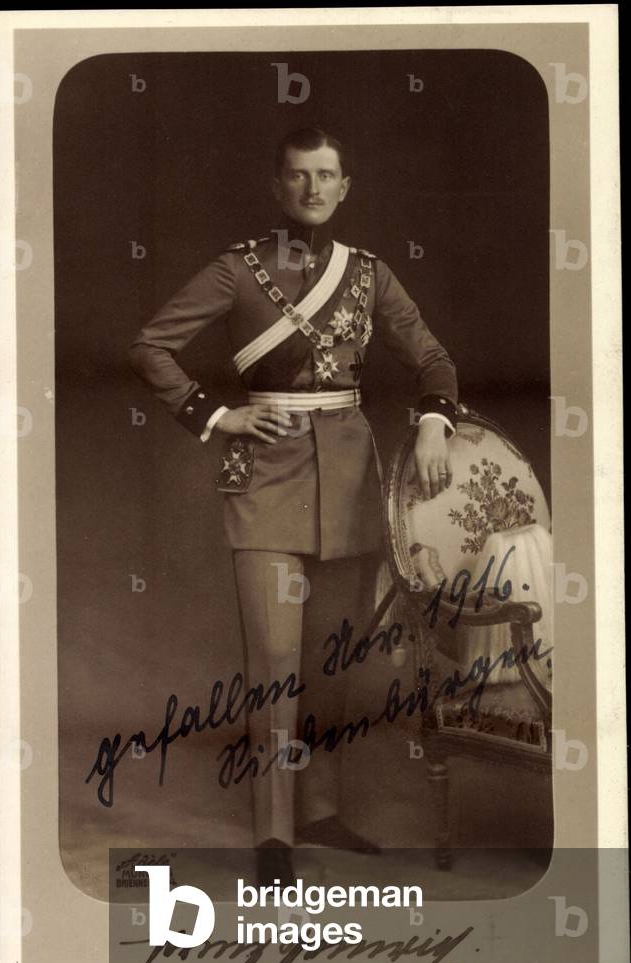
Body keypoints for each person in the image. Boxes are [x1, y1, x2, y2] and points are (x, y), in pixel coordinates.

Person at [129, 127, 458, 882]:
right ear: (277, 187)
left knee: (329, 664)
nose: (312, 189)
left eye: (326, 176)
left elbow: (432, 356)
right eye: (297, 176)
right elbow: (151, 347)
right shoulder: (236, 271)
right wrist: (217, 416)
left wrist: (434, 417)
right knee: (273, 662)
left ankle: (321, 812)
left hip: (348, 486)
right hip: (266, 477)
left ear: (345, 186)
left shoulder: (369, 275)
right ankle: (272, 833)